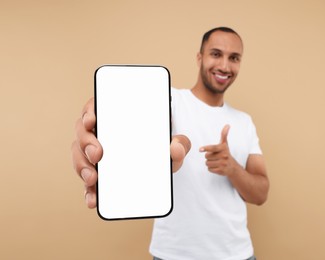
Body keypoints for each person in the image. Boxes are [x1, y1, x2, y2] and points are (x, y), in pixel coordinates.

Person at [71, 27, 269, 260]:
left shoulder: (244, 122)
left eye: (234, 58)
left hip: (238, 254)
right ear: (199, 57)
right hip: (173, 255)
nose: (225, 66)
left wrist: (232, 168)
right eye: (216, 54)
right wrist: (97, 109)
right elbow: (132, 106)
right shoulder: (169, 100)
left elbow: (261, 193)